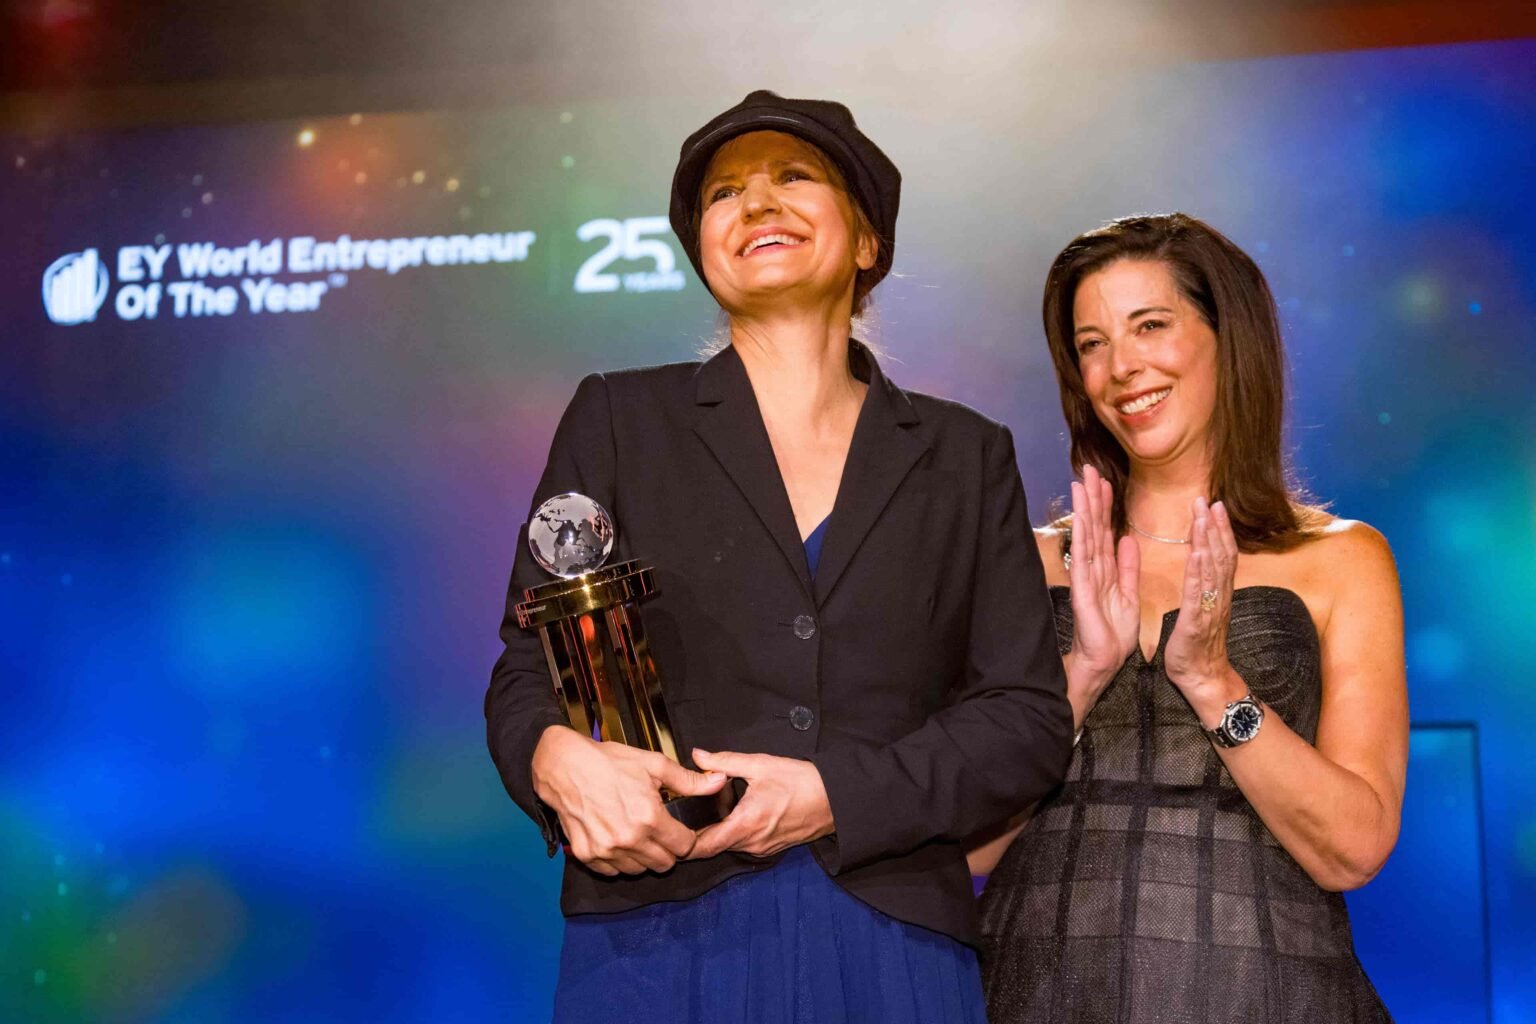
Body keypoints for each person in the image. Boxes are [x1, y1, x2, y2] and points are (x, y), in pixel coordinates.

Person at [485, 90, 1073, 1024]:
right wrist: (552, 757)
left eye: (794, 177)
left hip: (891, 939)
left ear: (868, 239)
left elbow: (1024, 719)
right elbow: (532, 665)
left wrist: (838, 794)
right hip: (658, 936)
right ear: (703, 252)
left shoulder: (965, 454)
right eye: (724, 193)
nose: (756, 202)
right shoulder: (620, 421)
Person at [970, 213, 1407, 1023]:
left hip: (1270, 994)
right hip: (1034, 988)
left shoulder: (1343, 559)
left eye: (1150, 326)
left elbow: (1354, 848)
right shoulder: (1024, 562)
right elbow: (966, 845)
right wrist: (1083, 674)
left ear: (1225, 337)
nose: (1121, 367)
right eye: (1092, 343)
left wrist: (1212, 682)